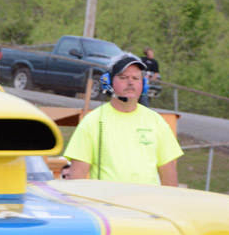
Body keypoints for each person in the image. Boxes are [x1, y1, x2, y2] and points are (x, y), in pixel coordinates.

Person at [64, 54, 182, 185]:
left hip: (145, 204)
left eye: (136, 78)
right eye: (123, 77)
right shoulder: (92, 122)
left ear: (143, 84)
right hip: (107, 203)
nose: (130, 82)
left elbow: (169, 175)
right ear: (108, 83)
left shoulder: (157, 121)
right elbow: (76, 178)